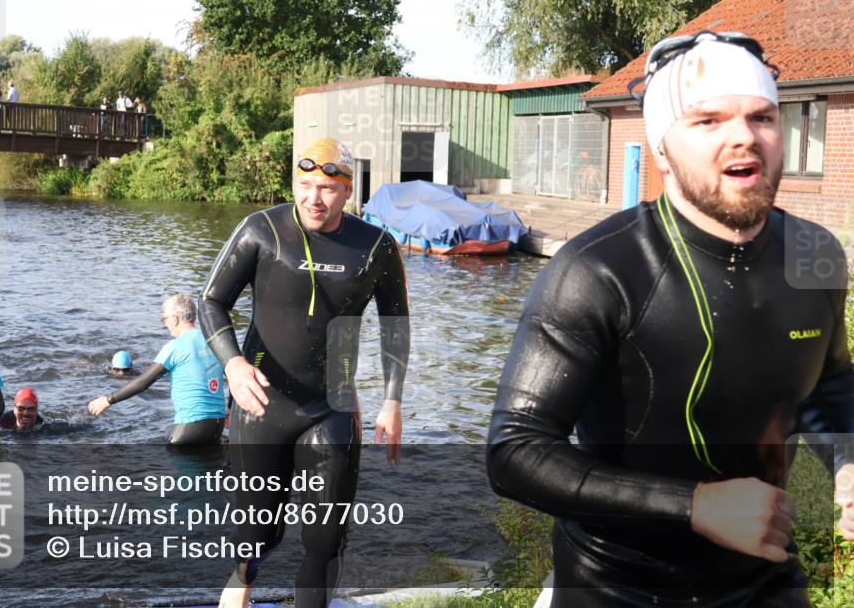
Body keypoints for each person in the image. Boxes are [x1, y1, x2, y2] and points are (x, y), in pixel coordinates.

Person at [487, 31, 853, 607]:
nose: (743, 137)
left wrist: (846, 459)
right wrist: (694, 505)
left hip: (766, 579)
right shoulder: (598, 269)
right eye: (707, 121)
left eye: (762, 117)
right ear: (661, 149)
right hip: (614, 584)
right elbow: (515, 452)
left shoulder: (817, 255)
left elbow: (831, 385)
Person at [199, 137, 410, 608]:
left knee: (325, 541)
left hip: (332, 409)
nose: (314, 198)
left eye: (328, 189)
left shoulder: (375, 246)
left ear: (349, 191)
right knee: (257, 532)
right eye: (305, 184)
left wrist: (392, 401)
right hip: (262, 407)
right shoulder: (262, 230)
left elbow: (396, 326)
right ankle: (241, 579)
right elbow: (211, 302)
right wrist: (232, 364)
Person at [88, 294, 227, 444]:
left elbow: (144, 382)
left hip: (190, 425)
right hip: (217, 425)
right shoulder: (214, 340)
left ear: (175, 319)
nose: (165, 324)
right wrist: (229, 407)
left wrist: (108, 400)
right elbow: (234, 375)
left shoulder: (174, 347)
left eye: (165, 319)